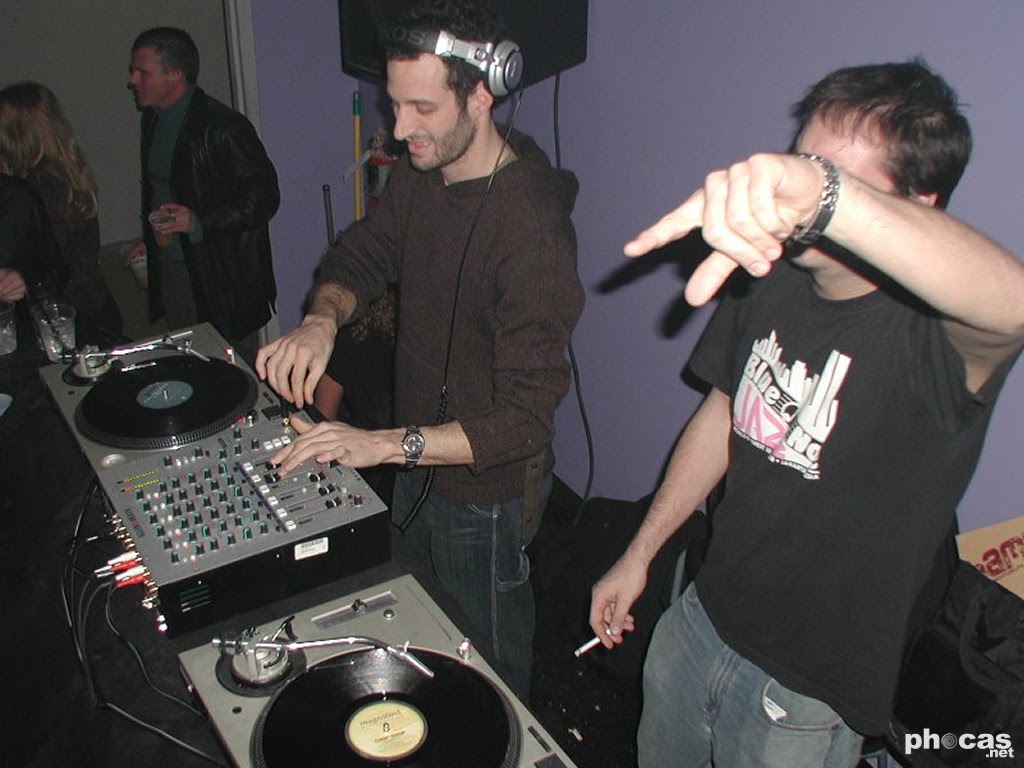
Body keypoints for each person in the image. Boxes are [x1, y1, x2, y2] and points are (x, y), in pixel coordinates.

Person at [589, 59, 1024, 768]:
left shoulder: (939, 339)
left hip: (803, 694)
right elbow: (723, 412)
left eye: (836, 182)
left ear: (921, 203)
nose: (792, 203)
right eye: (801, 162)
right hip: (702, 619)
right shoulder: (772, 274)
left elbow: (1014, 306)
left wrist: (824, 196)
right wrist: (640, 555)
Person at [256, 0, 584, 700]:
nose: (400, 128)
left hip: (484, 496)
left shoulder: (531, 232)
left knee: (490, 674)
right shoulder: (421, 169)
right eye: (395, 103)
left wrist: (382, 446)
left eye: (422, 108)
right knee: (427, 638)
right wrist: (321, 321)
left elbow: (524, 420)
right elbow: (365, 251)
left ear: (484, 93)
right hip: (414, 458)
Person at [126, 27, 279, 360]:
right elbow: (163, 189)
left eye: (142, 72)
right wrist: (150, 241)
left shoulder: (224, 127)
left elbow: (264, 197)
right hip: (174, 271)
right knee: (189, 362)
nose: (132, 79)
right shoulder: (153, 121)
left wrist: (199, 222)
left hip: (220, 279)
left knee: (230, 370)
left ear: (175, 74)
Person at [0, 82, 121, 344]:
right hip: (95, 304)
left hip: (67, 319)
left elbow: (46, 267)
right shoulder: (69, 172)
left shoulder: (32, 191)